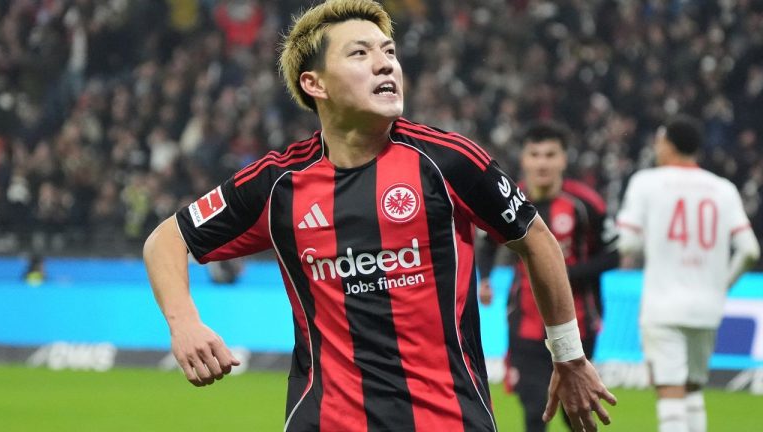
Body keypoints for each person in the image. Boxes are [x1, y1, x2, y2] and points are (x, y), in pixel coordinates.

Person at [143, 1, 616, 430]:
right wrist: (183, 322)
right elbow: (167, 239)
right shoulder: (278, 184)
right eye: (360, 53)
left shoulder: (447, 160)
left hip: (449, 419)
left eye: (389, 51)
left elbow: (534, 237)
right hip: (324, 420)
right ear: (315, 83)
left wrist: (569, 357)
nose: (385, 62)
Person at [616, 114, 760, 432]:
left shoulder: (647, 182)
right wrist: (722, 285)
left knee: (669, 395)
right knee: (693, 390)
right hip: (708, 307)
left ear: (667, 144)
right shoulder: (722, 189)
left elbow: (628, 242)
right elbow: (750, 249)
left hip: (663, 305)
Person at [477, 121, 618, 432]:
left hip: (579, 321)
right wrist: (484, 279)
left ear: (563, 159)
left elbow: (612, 255)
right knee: (535, 410)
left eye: (550, 154)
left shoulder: (586, 204)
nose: (542, 162)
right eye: (535, 154)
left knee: (576, 409)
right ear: (524, 159)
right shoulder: (508, 199)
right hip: (524, 322)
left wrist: (562, 274)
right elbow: (486, 244)